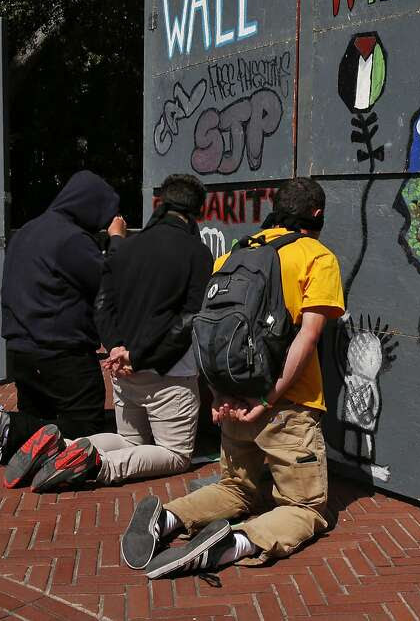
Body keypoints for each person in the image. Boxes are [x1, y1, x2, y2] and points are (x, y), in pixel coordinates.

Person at [121, 177, 344, 578]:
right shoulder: (316, 255)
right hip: (286, 406)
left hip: (232, 399)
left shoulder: (235, 255)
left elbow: (209, 331)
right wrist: (268, 398)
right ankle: (234, 543)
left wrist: (221, 397)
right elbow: (307, 337)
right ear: (316, 214)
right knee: (305, 508)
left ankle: (168, 519)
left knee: (236, 488)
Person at [4, 174, 214, 492]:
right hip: (165, 370)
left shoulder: (124, 249)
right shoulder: (195, 252)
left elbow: (103, 302)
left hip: (118, 369)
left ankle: (64, 444)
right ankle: (98, 463)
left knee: (128, 439)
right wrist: (141, 356)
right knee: (176, 455)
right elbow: (188, 318)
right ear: (196, 211)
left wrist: (116, 347)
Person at [0, 171, 126, 470]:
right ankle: (3, 426)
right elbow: (110, 281)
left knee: (40, 425)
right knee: (86, 429)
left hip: (22, 350)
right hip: (62, 352)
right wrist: (117, 239)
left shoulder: (28, 232)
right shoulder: (71, 239)